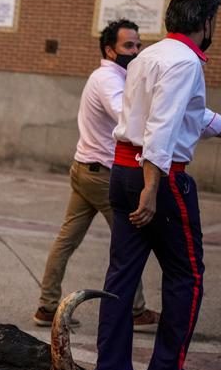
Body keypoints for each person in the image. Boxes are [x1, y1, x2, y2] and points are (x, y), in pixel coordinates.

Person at [91, 0, 221, 370]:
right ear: (206, 21)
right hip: (158, 177)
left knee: (121, 278)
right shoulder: (184, 62)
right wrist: (152, 188)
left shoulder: (151, 55)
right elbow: (161, 126)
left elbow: (195, 115)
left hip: (123, 172)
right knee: (187, 275)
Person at [34, 19, 159, 331]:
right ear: (109, 49)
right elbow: (125, 117)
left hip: (85, 169)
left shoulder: (111, 76)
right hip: (101, 175)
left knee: (66, 239)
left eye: (138, 44)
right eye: (128, 45)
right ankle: (136, 309)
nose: (136, 50)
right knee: (129, 240)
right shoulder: (109, 79)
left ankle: (47, 307)